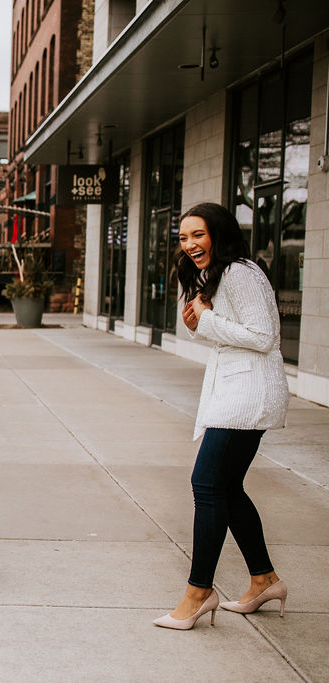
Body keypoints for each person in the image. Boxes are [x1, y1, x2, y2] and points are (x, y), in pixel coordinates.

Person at [153, 202, 289, 630]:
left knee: (207, 484)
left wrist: (208, 321)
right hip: (237, 390)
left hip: (247, 395)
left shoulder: (240, 272)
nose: (190, 245)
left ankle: (199, 592)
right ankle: (264, 580)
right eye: (183, 238)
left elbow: (264, 337)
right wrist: (203, 324)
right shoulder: (222, 274)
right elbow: (236, 335)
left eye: (198, 235)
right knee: (227, 489)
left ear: (219, 233)